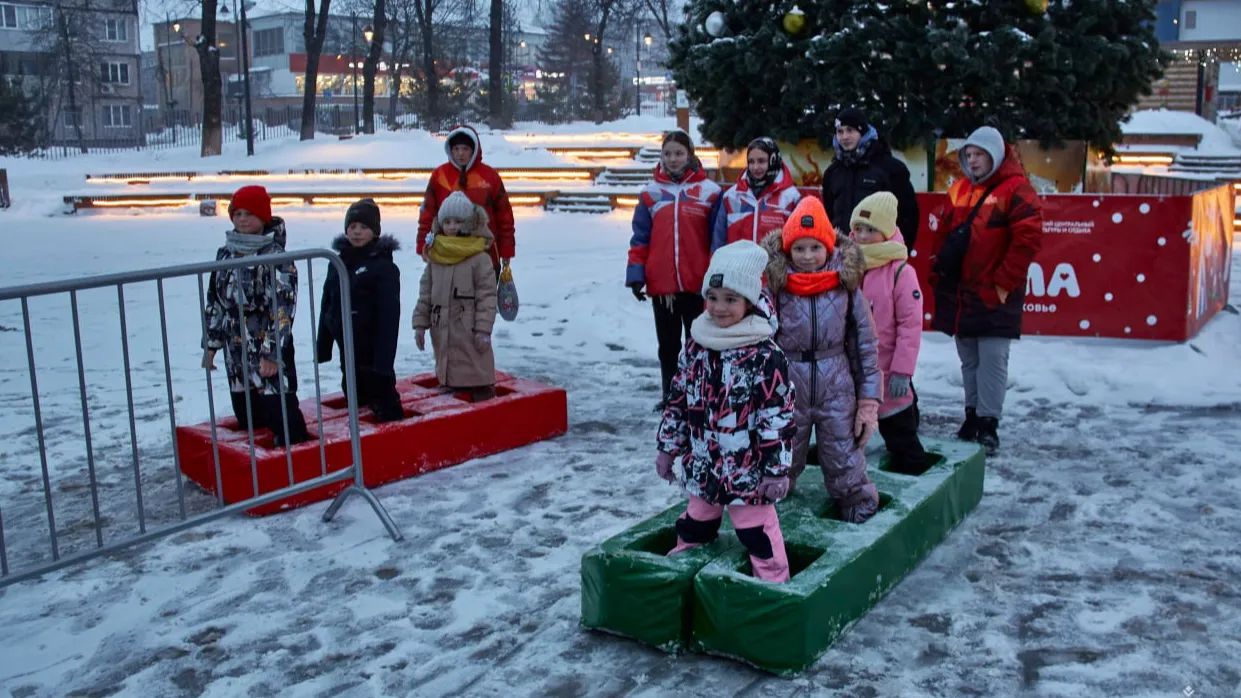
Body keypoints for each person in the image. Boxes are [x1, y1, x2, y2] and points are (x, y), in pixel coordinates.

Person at [657, 240, 797, 583]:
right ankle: (680, 583)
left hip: (748, 475)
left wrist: (776, 471)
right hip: (704, 466)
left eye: (731, 299)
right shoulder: (697, 344)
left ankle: (774, 587)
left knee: (757, 536)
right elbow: (678, 399)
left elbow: (776, 419)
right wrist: (667, 448)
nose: (719, 308)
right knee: (694, 526)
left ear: (749, 302)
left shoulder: (765, 354)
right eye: (713, 298)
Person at [761, 196, 882, 523]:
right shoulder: (776, 285)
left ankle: (857, 504)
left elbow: (864, 343)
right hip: (787, 384)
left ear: (828, 247)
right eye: (799, 248)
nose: (807, 256)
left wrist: (868, 397)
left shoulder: (846, 285)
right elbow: (760, 339)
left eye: (815, 248)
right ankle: (772, 511)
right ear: (787, 250)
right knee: (783, 451)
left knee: (843, 453)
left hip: (836, 384)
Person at [928, 126, 1043, 456]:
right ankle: (971, 415)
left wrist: (1004, 282)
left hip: (995, 292)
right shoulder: (960, 189)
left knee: (993, 359)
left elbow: (1028, 239)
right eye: (970, 154)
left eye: (980, 154)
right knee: (969, 359)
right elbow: (944, 233)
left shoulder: (1016, 189)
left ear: (996, 155)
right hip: (961, 293)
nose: (974, 160)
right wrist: (939, 268)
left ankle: (988, 423)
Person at [202, 185, 310, 447]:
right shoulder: (225, 253)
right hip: (235, 348)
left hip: (265, 346)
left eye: (249, 213)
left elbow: (282, 307)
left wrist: (273, 354)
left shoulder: (275, 256)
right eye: (237, 213)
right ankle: (258, 465)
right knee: (248, 412)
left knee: (279, 409)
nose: (242, 219)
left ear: (263, 217)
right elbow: (215, 302)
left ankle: (296, 454)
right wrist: (211, 344)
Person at [626, 129, 722, 411]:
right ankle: (671, 394)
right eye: (667, 154)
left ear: (690, 155)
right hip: (663, 287)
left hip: (698, 285)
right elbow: (640, 238)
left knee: (699, 344)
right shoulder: (650, 194)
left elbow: (717, 239)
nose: (673, 159)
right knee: (668, 347)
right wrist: (636, 274)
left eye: (679, 153)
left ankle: (699, 394)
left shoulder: (711, 193)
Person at [850, 192, 928, 475]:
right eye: (858, 228)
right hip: (855, 371)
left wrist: (902, 371)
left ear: (886, 232)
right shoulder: (849, 266)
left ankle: (914, 477)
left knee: (901, 435)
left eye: (870, 230)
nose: (862, 235)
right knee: (849, 434)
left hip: (888, 372)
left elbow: (910, 325)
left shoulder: (900, 272)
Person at [316, 198, 404, 422]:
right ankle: (360, 439)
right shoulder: (337, 262)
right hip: (346, 343)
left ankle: (392, 428)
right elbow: (328, 302)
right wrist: (323, 345)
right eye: (352, 227)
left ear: (375, 232)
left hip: (373, 346)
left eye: (364, 227)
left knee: (381, 391)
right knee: (354, 392)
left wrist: (384, 360)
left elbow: (389, 316)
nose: (357, 232)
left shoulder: (383, 266)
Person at [413, 191, 499, 402]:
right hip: (441, 323)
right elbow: (425, 294)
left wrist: (483, 329)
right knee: (446, 356)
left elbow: (487, 296)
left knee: (474, 358)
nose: (451, 226)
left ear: (469, 223)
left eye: (458, 221)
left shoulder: (479, 258)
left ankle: (482, 388)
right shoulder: (436, 256)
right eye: (447, 221)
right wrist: (420, 324)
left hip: (468, 325)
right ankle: (449, 382)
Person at [417, 125, 515, 277]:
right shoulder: (439, 176)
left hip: (485, 253)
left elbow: (504, 215)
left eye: (465, 149)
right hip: (448, 254)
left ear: (474, 149)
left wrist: (506, 249)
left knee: (484, 298)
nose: (460, 154)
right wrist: (423, 243)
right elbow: (427, 213)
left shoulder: (490, 176)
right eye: (456, 149)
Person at [821, 107, 921, 251]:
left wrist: (899, 251)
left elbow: (908, 215)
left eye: (850, 130)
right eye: (840, 131)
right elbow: (828, 215)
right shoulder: (833, 172)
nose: (844, 137)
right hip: (841, 256)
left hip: (878, 255)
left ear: (862, 132)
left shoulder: (889, 168)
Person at [711, 137, 801, 250]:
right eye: (751, 162)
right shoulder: (731, 196)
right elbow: (718, 241)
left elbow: (796, 242)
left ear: (773, 160)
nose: (755, 167)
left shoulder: (791, 198)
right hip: (737, 267)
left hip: (773, 267)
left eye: (761, 161)